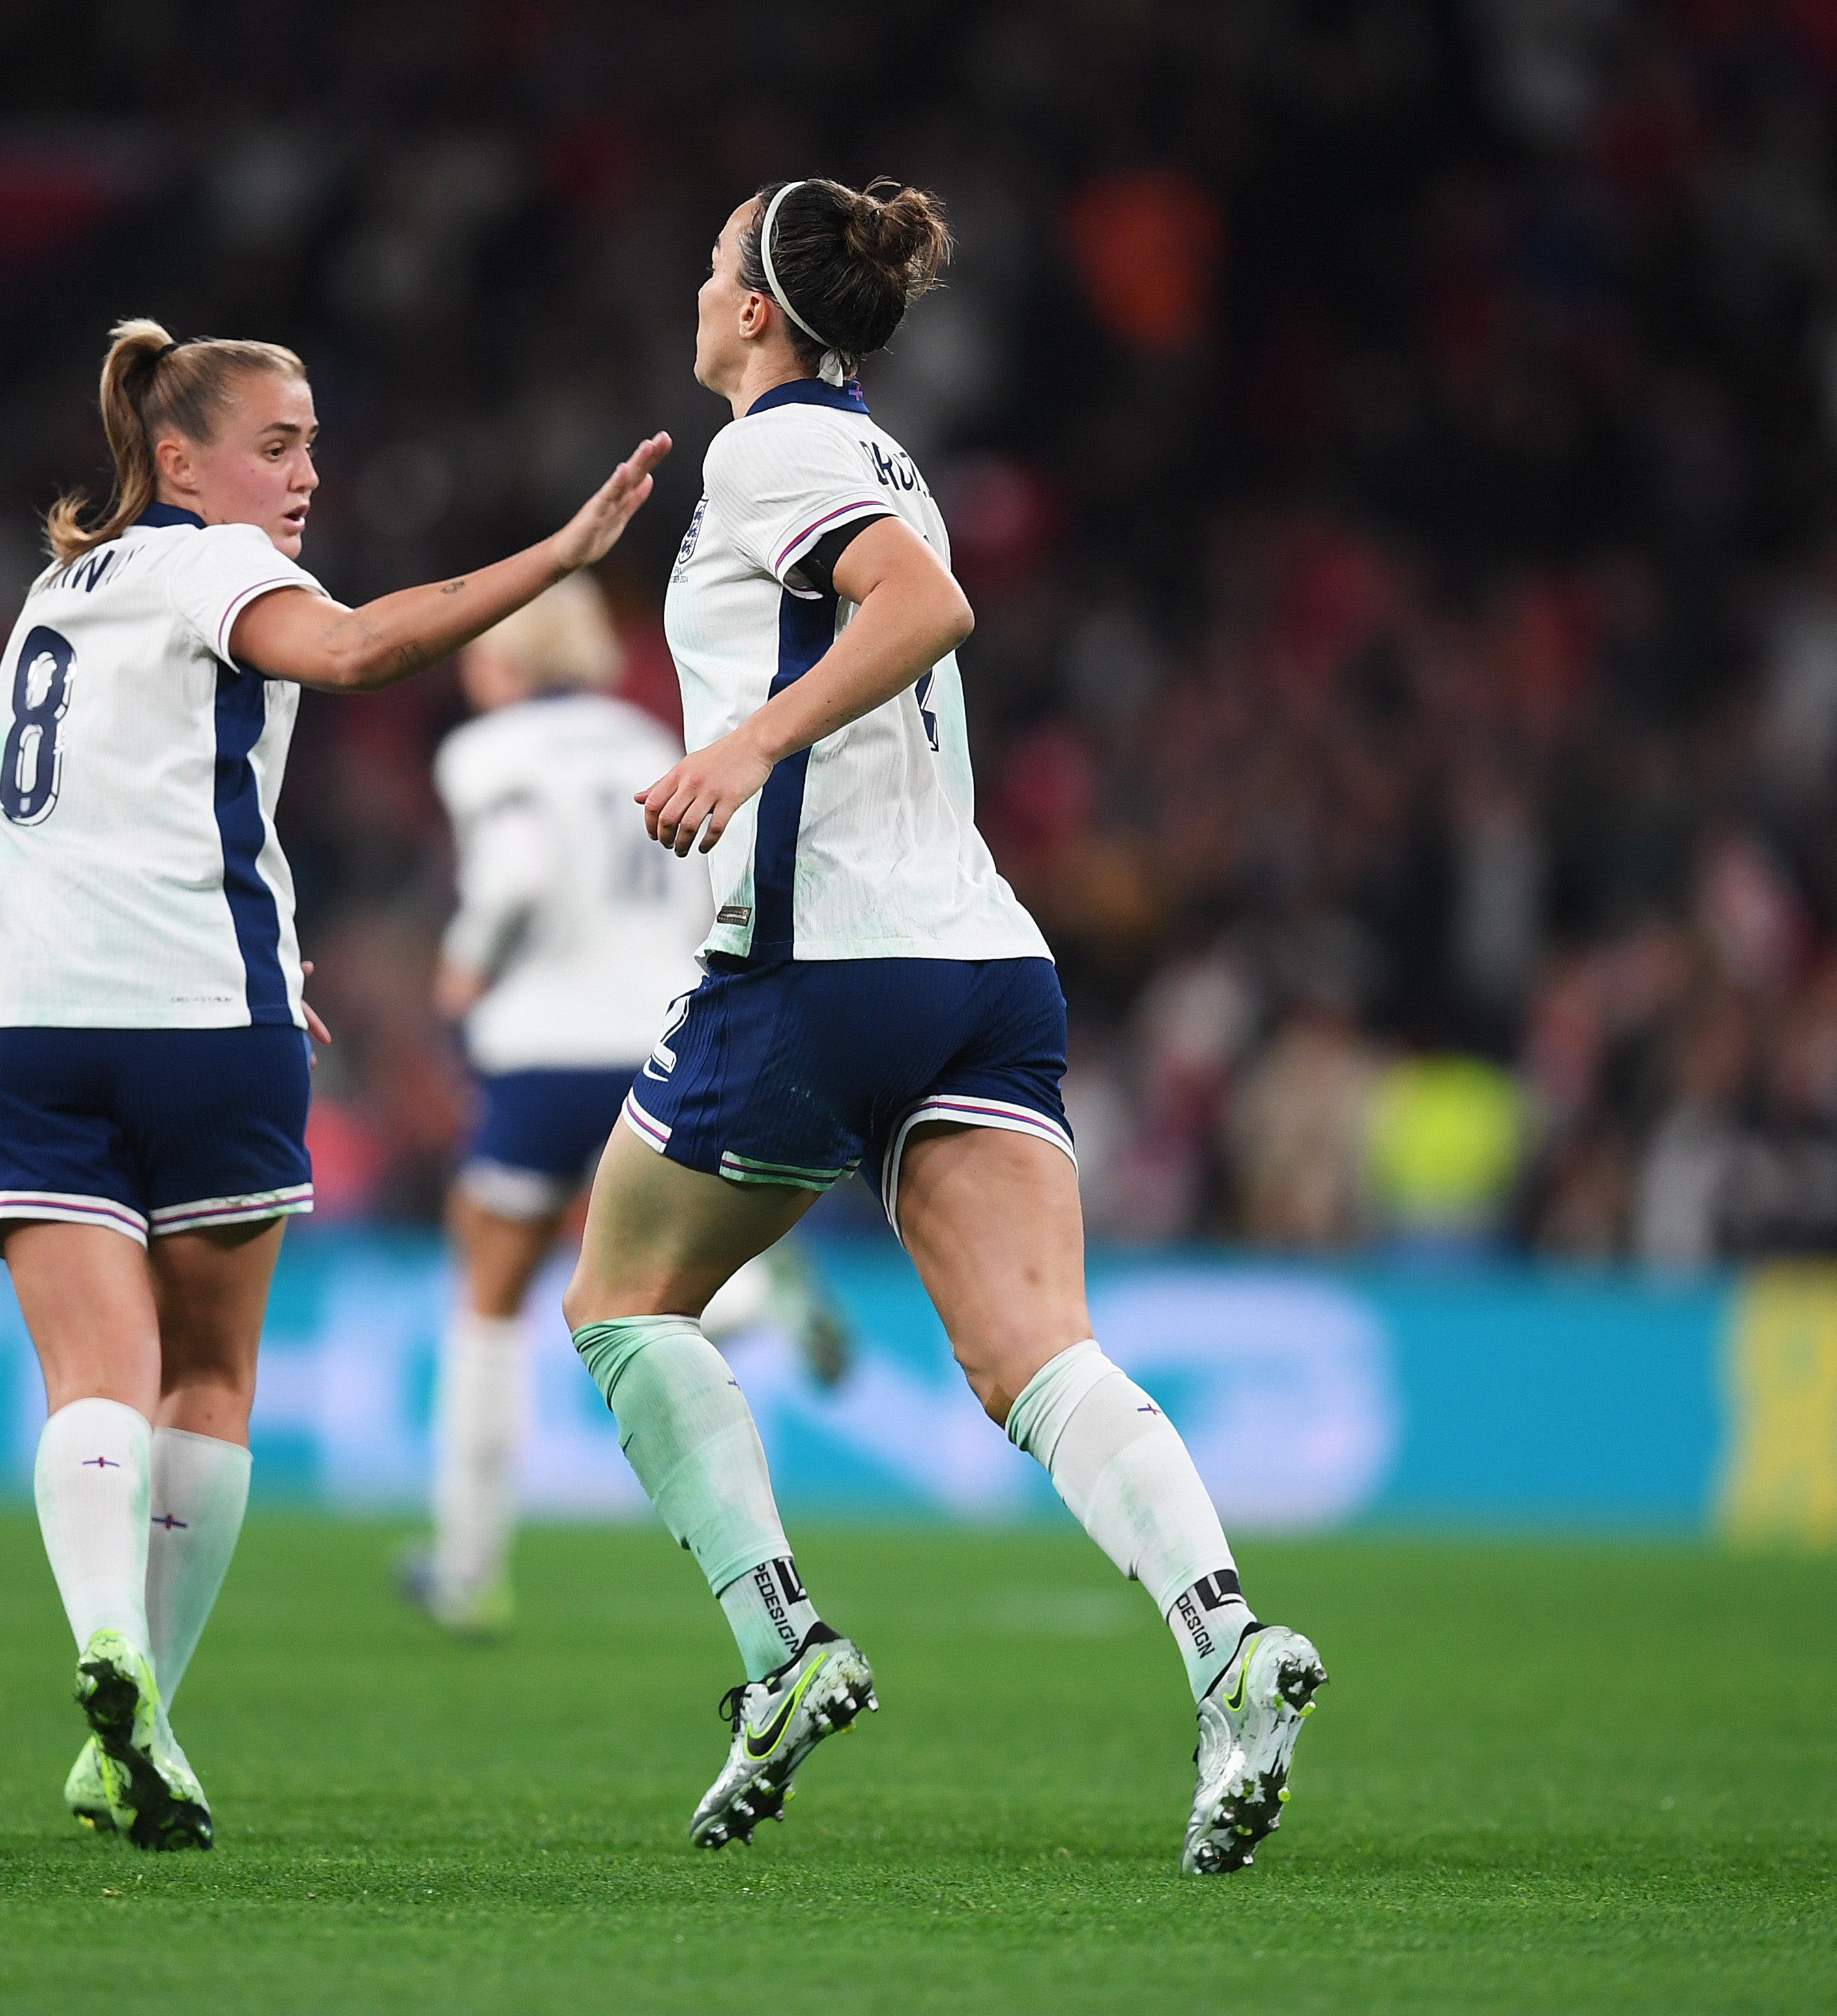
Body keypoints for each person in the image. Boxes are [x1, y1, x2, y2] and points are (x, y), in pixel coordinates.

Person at [558, 180, 1327, 1873]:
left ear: (759, 312)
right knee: (1037, 1352)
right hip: (981, 961)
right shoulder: (867, 447)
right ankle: (1228, 1642)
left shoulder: (772, 454)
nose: (694, 287)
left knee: (619, 1300)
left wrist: (747, 745)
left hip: (823, 960)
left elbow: (921, 604)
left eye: (709, 265)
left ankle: (781, 1648)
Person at [0, 317, 667, 1851]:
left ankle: (102, 1646)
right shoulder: (212, 566)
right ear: (177, 458)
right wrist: (554, 557)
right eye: (278, 446)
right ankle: (153, 1700)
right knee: (205, 1375)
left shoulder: (50, 596)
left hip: (17, 1010)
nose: (307, 477)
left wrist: (260, 937)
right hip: (199, 1021)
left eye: (314, 444)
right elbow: (349, 652)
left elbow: (96, 806)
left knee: (88, 1375)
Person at [402, 576, 855, 1637]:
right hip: (657, 1034)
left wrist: (465, 970)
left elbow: (512, 876)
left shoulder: (487, 752)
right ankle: (747, 1297)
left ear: (499, 656)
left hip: (542, 1047)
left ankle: (468, 1568)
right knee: (647, 1276)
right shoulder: (643, 733)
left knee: (491, 1296)